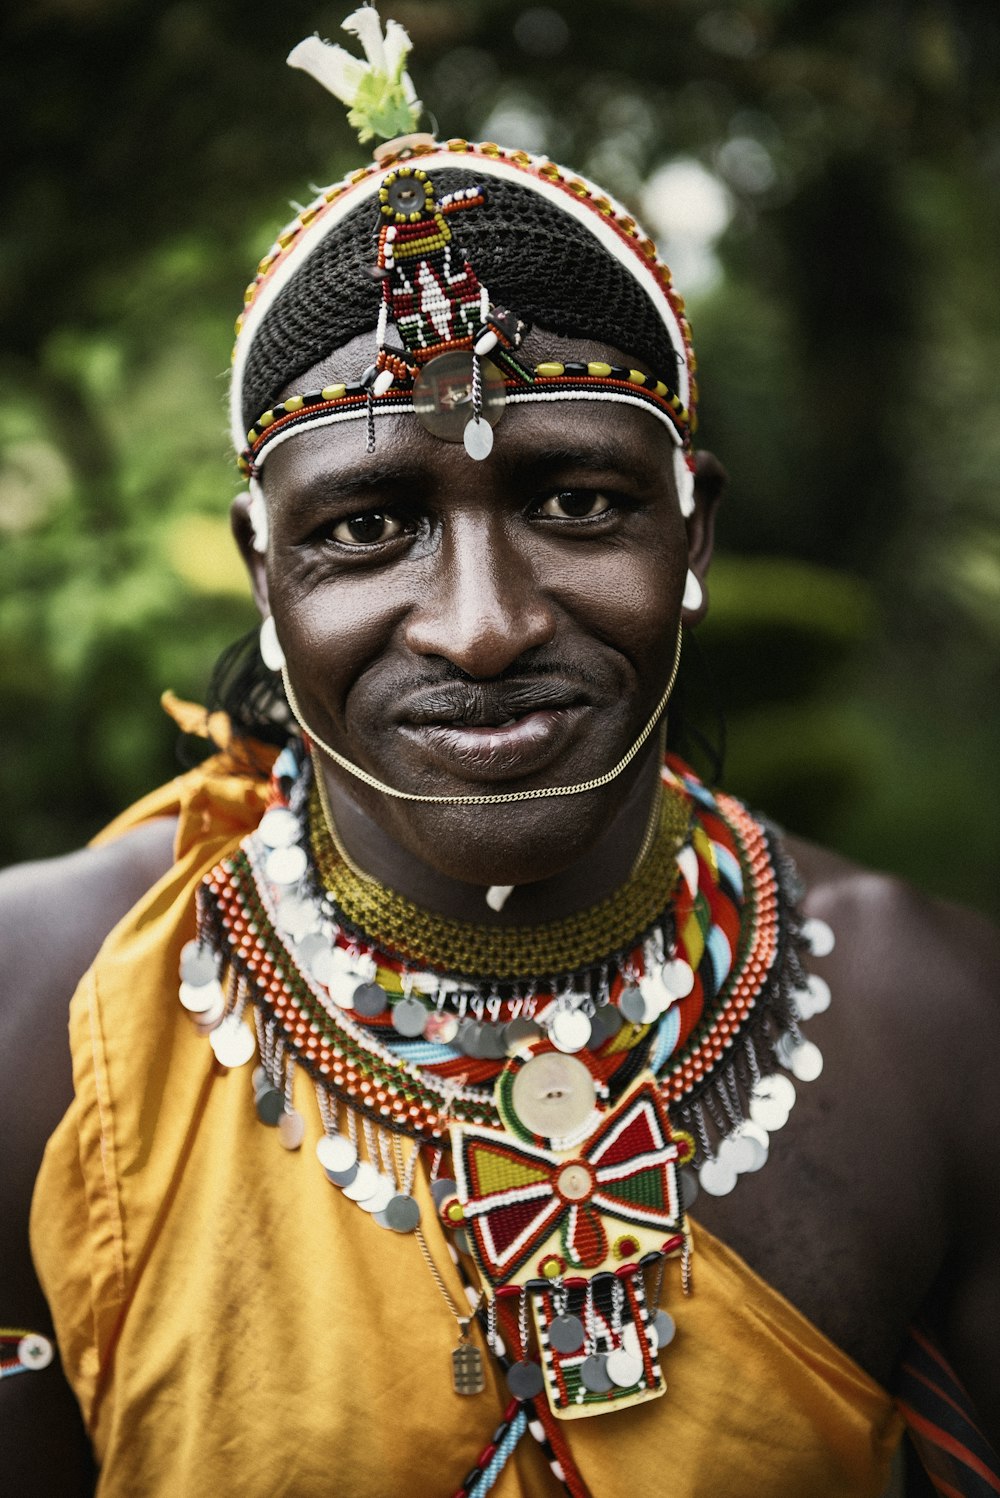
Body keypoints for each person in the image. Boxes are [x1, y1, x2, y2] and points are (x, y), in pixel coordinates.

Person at [2, 12, 998, 1497]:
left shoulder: (944, 1024)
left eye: (579, 502)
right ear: (264, 572)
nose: (482, 625)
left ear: (694, 530)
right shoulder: (39, 1022)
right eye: (365, 526)